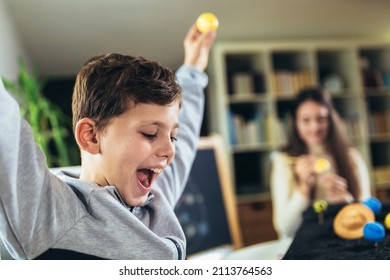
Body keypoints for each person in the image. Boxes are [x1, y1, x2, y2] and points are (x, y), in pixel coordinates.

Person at [0, 24, 217, 259]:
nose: (169, 151)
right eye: (150, 134)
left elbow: (184, 144)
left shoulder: (154, 197)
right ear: (91, 136)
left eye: (171, 136)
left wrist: (194, 68)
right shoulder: (48, 214)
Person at [270, 86, 372, 239]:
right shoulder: (284, 162)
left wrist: (346, 203)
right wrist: (303, 190)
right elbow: (285, 228)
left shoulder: (352, 157)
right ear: (295, 123)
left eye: (321, 119)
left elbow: (367, 219)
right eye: (306, 120)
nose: (315, 127)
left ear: (331, 120)